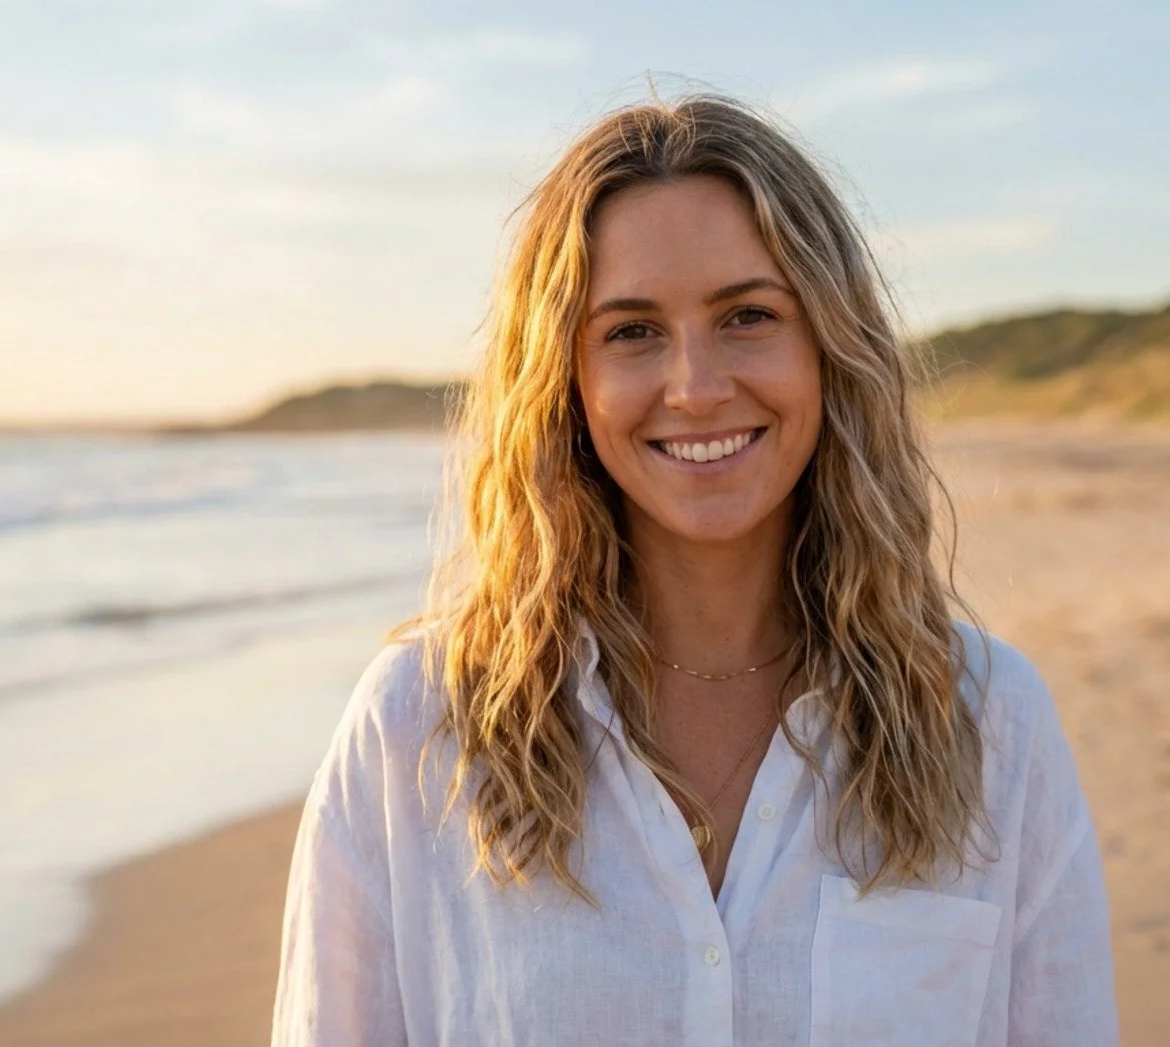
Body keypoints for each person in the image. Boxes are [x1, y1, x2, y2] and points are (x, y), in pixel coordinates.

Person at [271, 92, 1118, 1046]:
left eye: (747, 315)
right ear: (565, 382)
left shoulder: (989, 721)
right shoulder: (418, 730)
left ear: (830, 346)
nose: (697, 387)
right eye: (631, 331)